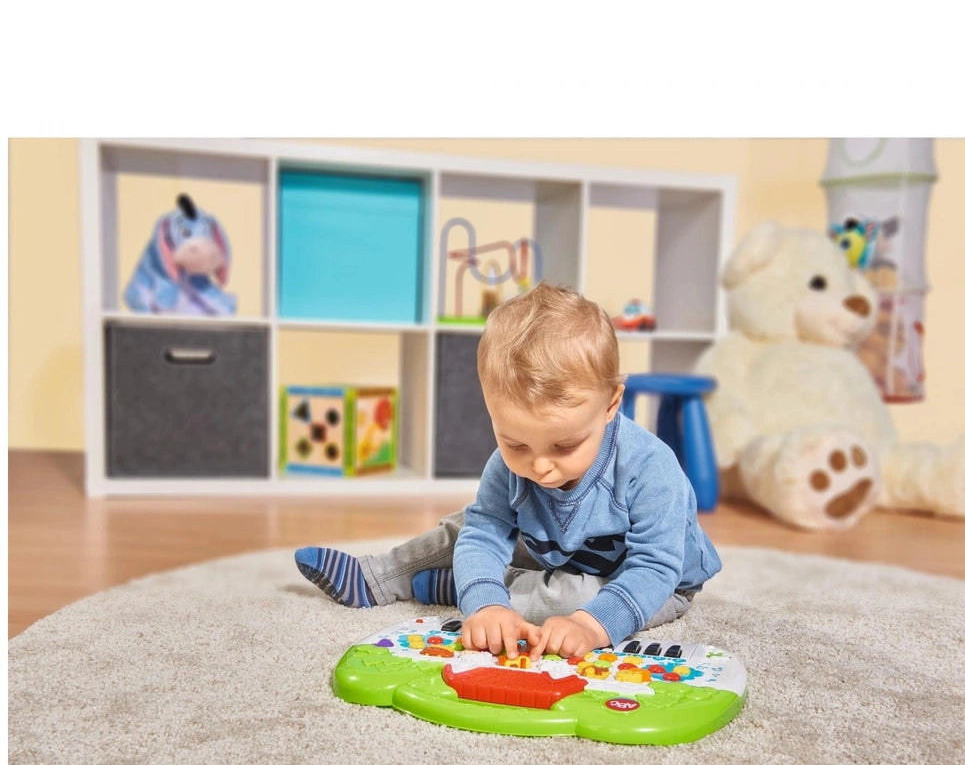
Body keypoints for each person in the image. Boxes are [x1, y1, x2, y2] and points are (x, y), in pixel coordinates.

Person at [295, 282, 721, 660]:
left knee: (573, 600)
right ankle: (377, 577)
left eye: (565, 445)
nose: (539, 466)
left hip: (648, 580)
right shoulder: (510, 465)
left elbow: (655, 567)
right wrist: (485, 603)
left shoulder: (650, 468)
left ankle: (451, 588)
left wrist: (591, 627)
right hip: (552, 544)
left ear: (611, 405)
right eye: (516, 442)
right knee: (463, 529)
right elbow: (484, 532)